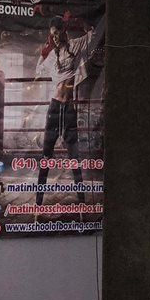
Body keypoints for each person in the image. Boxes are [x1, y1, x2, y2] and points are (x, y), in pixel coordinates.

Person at [34, 16, 100, 205]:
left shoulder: (75, 45)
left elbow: (92, 35)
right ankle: (38, 203)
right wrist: (43, 53)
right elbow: (38, 71)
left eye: (57, 33)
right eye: (52, 35)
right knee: (46, 155)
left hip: (69, 107)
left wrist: (79, 22)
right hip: (55, 107)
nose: (55, 38)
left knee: (74, 156)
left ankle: (82, 203)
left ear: (64, 31)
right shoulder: (52, 55)